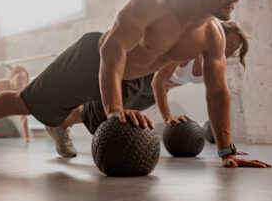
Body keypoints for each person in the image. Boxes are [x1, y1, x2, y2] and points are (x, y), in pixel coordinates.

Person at [0, 0, 271, 168]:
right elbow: (113, 51)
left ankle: (58, 126)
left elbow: (217, 92)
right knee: (28, 103)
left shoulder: (212, 35)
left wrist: (226, 151)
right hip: (92, 58)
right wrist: (115, 109)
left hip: (133, 78)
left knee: (78, 115)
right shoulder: (154, 1)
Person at [44, 21, 250, 157]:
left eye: (235, 48)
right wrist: (168, 117)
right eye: (229, 44)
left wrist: (227, 149)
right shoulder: (190, 50)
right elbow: (158, 82)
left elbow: (216, 100)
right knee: (101, 115)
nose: (231, 51)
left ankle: (60, 124)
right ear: (217, 37)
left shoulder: (214, 64)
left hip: (155, 91)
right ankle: (59, 122)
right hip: (143, 77)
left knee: (112, 117)